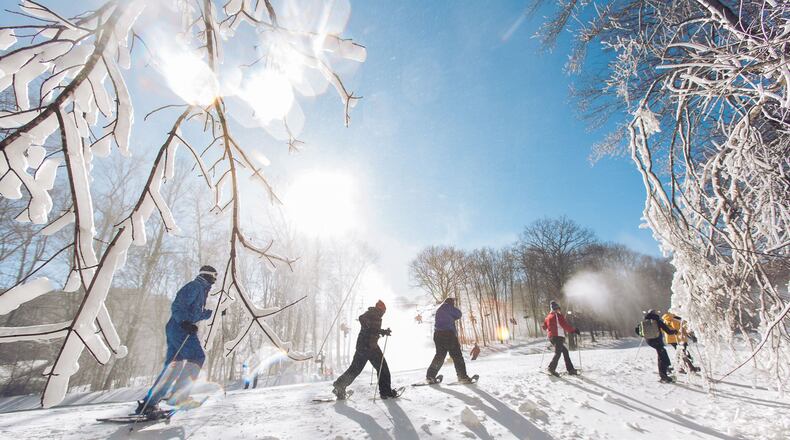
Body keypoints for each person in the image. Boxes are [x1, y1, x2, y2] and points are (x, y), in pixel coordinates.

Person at [135, 265, 217, 415]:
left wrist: (215, 313)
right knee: (197, 357)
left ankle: (149, 403)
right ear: (209, 276)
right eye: (214, 277)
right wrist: (184, 322)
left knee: (174, 365)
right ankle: (179, 397)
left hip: (176, 327)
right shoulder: (195, 287)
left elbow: (196, 313)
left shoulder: (200, 290)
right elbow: (178, 305)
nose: (215, 281)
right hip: (181, 328)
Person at [332, 300, 400, 399]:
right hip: (366, 347)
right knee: (382, 368)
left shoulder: (376, 316)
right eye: (383, 311)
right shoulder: (372, 313)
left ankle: (339, 385)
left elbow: (373, 330)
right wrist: (369, 326)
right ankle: (386, 392)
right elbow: (362, 319)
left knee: (356, 369)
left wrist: (382, 332)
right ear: (380, 309)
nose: (383, 313)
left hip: (369, 346)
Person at [426, 298, 473, 384]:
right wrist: (453, 315)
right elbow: (459, 314)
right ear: (451, 303)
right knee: (457, 356)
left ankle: (430, 376)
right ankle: (462, 377)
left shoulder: (439, 309)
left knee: (439, 356)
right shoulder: (448, 307)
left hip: (437, 335)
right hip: (448, 334)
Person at [636, 309, 677, 383]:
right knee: (661, 356)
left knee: (662, 353)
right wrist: (675, 331)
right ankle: (663, 376)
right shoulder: (657, 320)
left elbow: (637, 330)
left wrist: (644, 334)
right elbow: (668, 331)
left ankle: (667, 368)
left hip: (650, 341)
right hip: (657, 341)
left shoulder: (644, 321)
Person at [542, 300, 580, 376]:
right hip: (558, 337)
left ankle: (570, 369)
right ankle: (551, 368)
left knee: (565, 351)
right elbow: (564, 325)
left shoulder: (548, 317)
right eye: (557, 308)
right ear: (555, 309)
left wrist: (549, 327)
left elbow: (544, 327)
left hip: (552, 337)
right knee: (558, 353)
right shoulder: (558, 316)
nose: (558, 310)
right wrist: (574, 330)